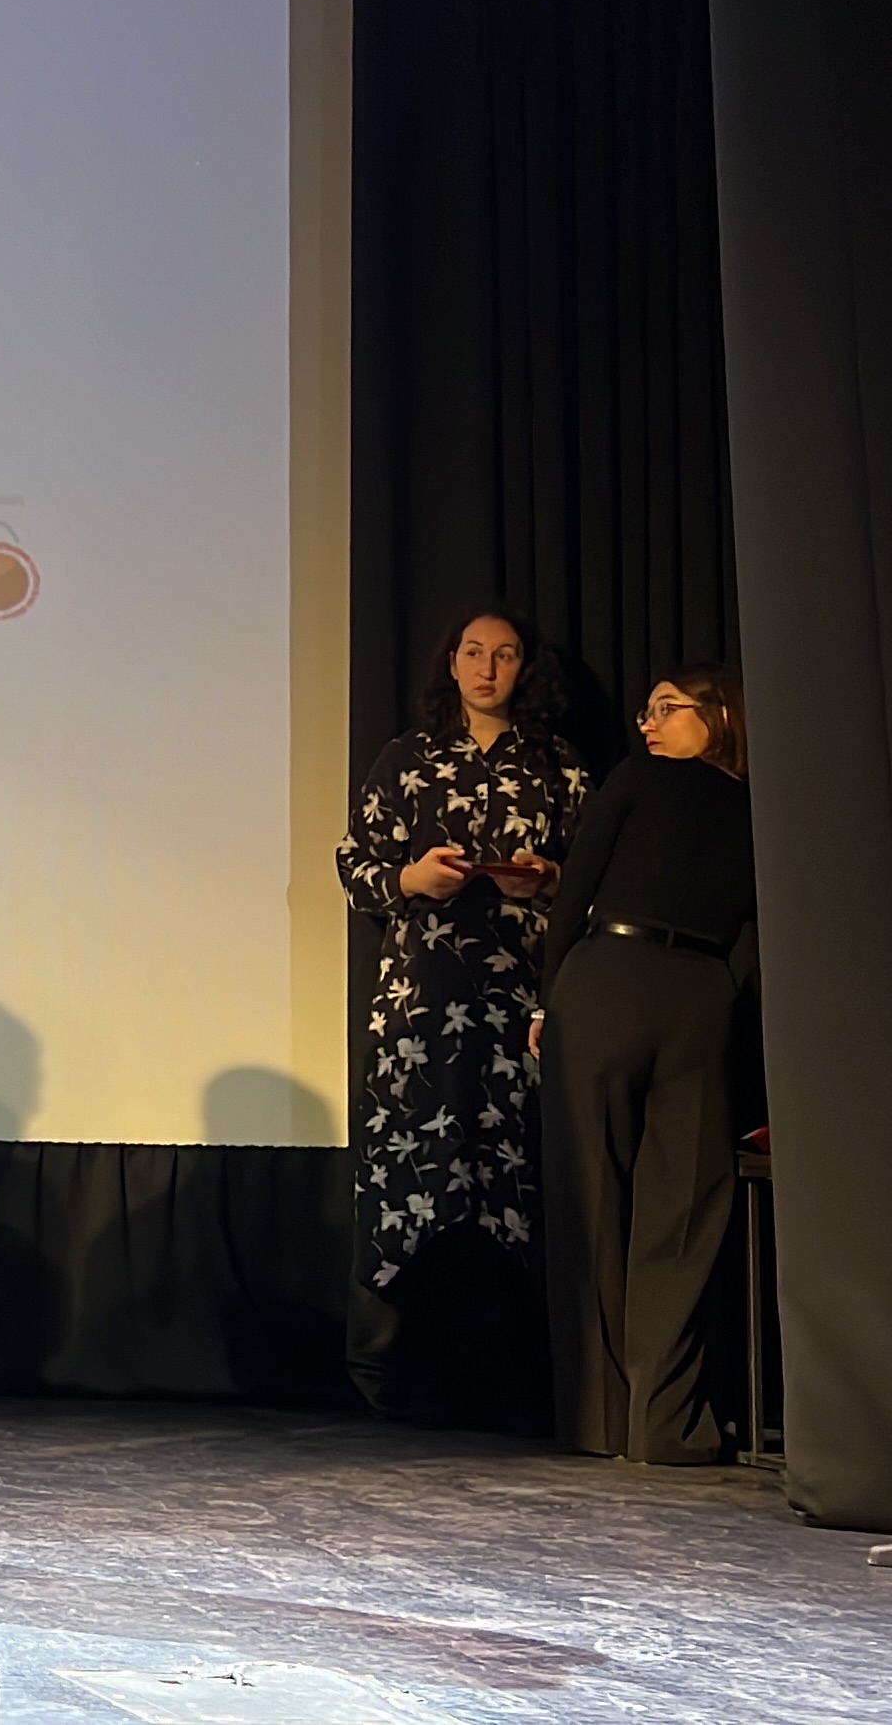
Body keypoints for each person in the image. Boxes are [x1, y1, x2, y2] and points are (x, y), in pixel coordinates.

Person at [332, 607, 590, 1428]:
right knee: (409, 1175)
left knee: (504, 1175)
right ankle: (389, 1371)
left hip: (515, 1000)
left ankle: (502, 1375)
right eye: (473, 653)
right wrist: (412, 880)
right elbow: (354, 864)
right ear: (451, 663)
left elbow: (593, 880)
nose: (486, 668)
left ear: (524, 669)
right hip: (420, 1001)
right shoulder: (407, 758)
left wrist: (548, 881)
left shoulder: (556, 765)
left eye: (504, 655)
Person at [534, 667, 756, 1463]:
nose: (649, 723)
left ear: (720, 714)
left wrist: (548, 998)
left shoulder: (665, 785)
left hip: (637, 986)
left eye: (668, 708)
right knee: (664, 1206)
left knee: (627, 1199)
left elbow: (576, 890)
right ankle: (647, 1424)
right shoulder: (738, 802)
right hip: (674, 986)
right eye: (647, 711)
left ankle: (618, 1422)